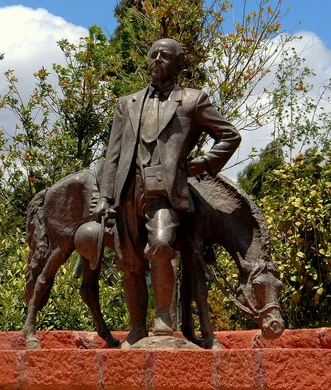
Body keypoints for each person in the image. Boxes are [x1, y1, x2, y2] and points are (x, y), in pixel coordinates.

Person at [94, 38, 241, 347]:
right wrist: (105, 198)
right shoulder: (127, 104)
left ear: (177, 64)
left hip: (165, 193)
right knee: (130, 261)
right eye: (153, 54)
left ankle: (163, 319)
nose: (157, 59)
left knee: (161, 244)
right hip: (128, 191)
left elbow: (229, 135)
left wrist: (202, 164)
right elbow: (113, 155)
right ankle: (136, 329)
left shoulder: (192, 100)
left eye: (165, 56)